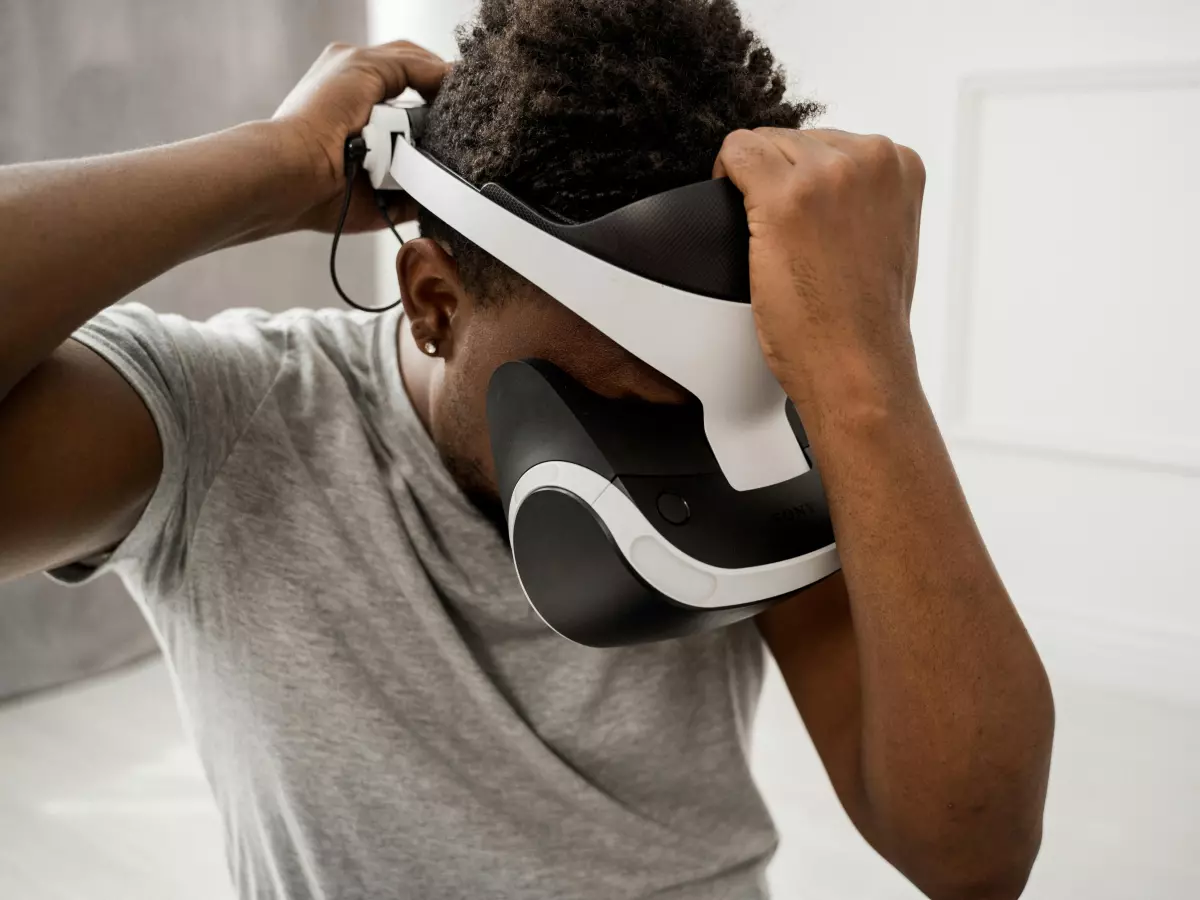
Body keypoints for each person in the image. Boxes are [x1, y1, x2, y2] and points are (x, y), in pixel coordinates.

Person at [0, 1, 1054, 898]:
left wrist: (863, 373)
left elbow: (971, 852)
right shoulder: (225, 423)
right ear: (434, 305)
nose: (697, 444)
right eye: (636, 396)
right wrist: (273, 167)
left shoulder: (758, 425)